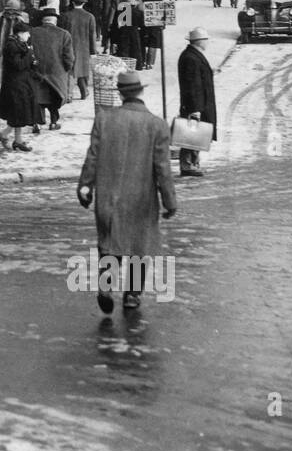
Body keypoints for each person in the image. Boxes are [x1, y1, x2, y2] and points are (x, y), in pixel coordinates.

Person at [77, 70, 177, 313]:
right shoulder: (157, 125)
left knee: (110, 243)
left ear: (120, 94)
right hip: (141, 198)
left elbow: (93, 155)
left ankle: (106, 285)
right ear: (141, 91)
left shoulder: (104, 119)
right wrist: (170, 202)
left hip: (109, 197)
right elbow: (162, 169)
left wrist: (85, 186)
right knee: (137, 246)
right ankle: (132, 295)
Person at [177, 27, 217, 178]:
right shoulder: (191, 58)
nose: (208, 43)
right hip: (195, 105)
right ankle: (188, 165)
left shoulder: (193, 55)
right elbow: (192, 85)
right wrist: (195, 108)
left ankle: (193, 163)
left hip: (199, 103)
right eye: (207, 40)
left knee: (196, 135)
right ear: (200, 42)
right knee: (190, 136)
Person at [29, 8, 75, 130]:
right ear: (55, 20)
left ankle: (37, 123)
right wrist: (67, 68)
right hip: (56, 72)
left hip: (37, 70)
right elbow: (69, 57)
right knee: (54, 97)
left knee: (38, 97)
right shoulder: (64, 34)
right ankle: (53, 122)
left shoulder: (32, 32)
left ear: (43, 20)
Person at [0, 22, 39, 152]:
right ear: (20, 34)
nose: (29, 35)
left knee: (18, 112)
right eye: (27, 33)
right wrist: (29, 54)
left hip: (21, 83)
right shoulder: (12, 46)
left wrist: (33, 61)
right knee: (18, 112)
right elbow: (19, 65)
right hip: (14, 84)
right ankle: (15, 140)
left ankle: (9, 136)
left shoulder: (20, 44)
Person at [63, 0, 98, 98]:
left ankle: (69, 94)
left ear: (72, 2)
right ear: (83, 3)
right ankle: (84, 92)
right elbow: (92, 35)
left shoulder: (66, 16)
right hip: (84, 48)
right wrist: (93, 51)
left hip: (69, 46)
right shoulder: (90, 17)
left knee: (70, 70)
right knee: (83, 70)